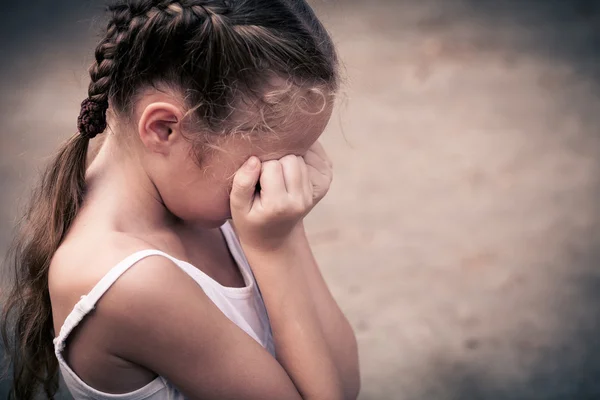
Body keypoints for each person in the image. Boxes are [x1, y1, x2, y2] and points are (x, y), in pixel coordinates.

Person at [0, 1, 360, 399]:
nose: (286, 178)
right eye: (275, 160)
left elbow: (345, 381)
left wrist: (286, 231)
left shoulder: (193, 184)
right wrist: (275, 247)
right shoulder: (132, 285)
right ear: (165, 130)